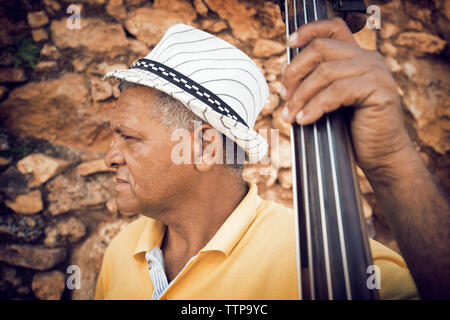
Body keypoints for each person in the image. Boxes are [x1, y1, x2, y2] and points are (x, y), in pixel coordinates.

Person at [92, 21, 443, 300]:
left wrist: (390, 162)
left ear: (204, 147)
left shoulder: (334, 265)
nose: (110, 156)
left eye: (129, 137)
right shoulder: (122, 252)